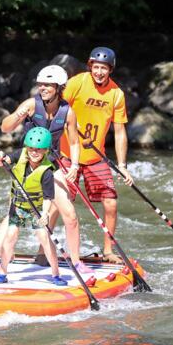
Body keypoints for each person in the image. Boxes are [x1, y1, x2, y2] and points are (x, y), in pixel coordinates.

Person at [0, 65, 92, 273]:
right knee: (13, 217)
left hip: (51, 165)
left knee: (70, 215)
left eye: (48, 85)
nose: (43, 88)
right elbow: (5, 127)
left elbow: (74, 142)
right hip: (26, 165)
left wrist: (75, 165)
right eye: (41, 84)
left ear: (59, 87)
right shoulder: (31, 104)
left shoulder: (68, 112)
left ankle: (76, 261)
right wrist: (17, 116)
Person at [59, 47, 134, 264]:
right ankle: (43, 250)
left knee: (111, 203)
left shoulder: (116, 94)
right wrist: (69, 121)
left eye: (104, 68)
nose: (99, 72)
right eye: (96, 67)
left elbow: (119, 132)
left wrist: (122, 165)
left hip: (95, 157)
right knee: (58, 203)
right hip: (68, 154)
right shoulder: (77, 83)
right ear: (90, 66)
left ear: (110, 70)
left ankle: (108, 251)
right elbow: (57, 107)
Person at [0, 127, 66, 286]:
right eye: (31, 148)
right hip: (18, 206)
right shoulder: (20, 154)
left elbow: (48, 197)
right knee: (10, 236)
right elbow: (5, 160)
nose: (34, 152)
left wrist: (45, 214)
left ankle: (56, 274)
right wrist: (0, 157)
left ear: (45, 150)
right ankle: (3, 272)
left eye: (39, 149)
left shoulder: (47, 172)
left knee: (44, 237)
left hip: (36, 208)